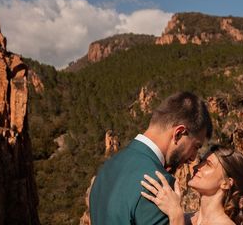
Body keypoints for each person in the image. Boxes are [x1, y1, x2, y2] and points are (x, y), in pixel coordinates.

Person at [89, 91, 213, 225]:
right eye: (196, 146)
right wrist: (177, 217)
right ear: (178, 134)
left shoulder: (106, 168)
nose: (193, 157)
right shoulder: (157, 182)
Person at [140, 145, 243, 225]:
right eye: (201, 162)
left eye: (208, 164)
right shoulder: (187, 218)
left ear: (226, 183)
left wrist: (176, 217)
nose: (196, 167)